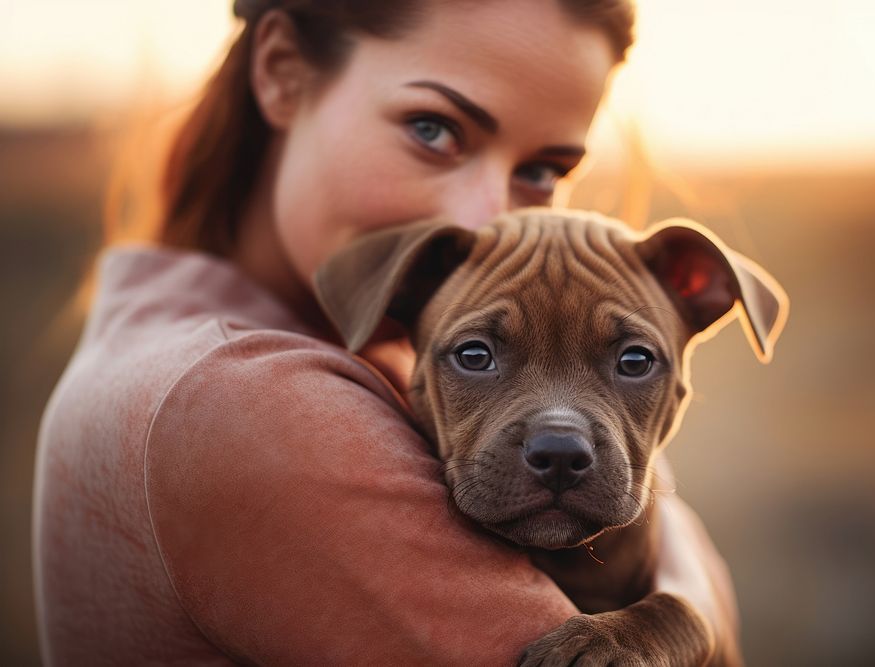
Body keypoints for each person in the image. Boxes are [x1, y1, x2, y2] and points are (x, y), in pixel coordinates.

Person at [33, 0, 742, 664]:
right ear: (282, 73)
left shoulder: (164, 323)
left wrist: (674, 613)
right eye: (432, 129)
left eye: (540, 170)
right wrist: (688, 610)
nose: (482, 215)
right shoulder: (243, 399)